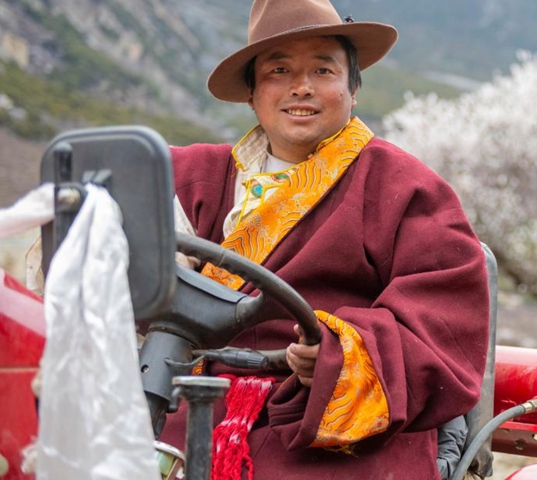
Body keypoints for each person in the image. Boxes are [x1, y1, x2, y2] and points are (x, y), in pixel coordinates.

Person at [156, 0, 491, 479]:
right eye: (278, 69)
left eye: (322, 68)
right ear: (252, 93)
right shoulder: (195, 177)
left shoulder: (404, 188)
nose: (302, 86)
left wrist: (340, 356)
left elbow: (444, 325)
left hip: (330, 430)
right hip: (195, 404)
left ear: (352, 88)